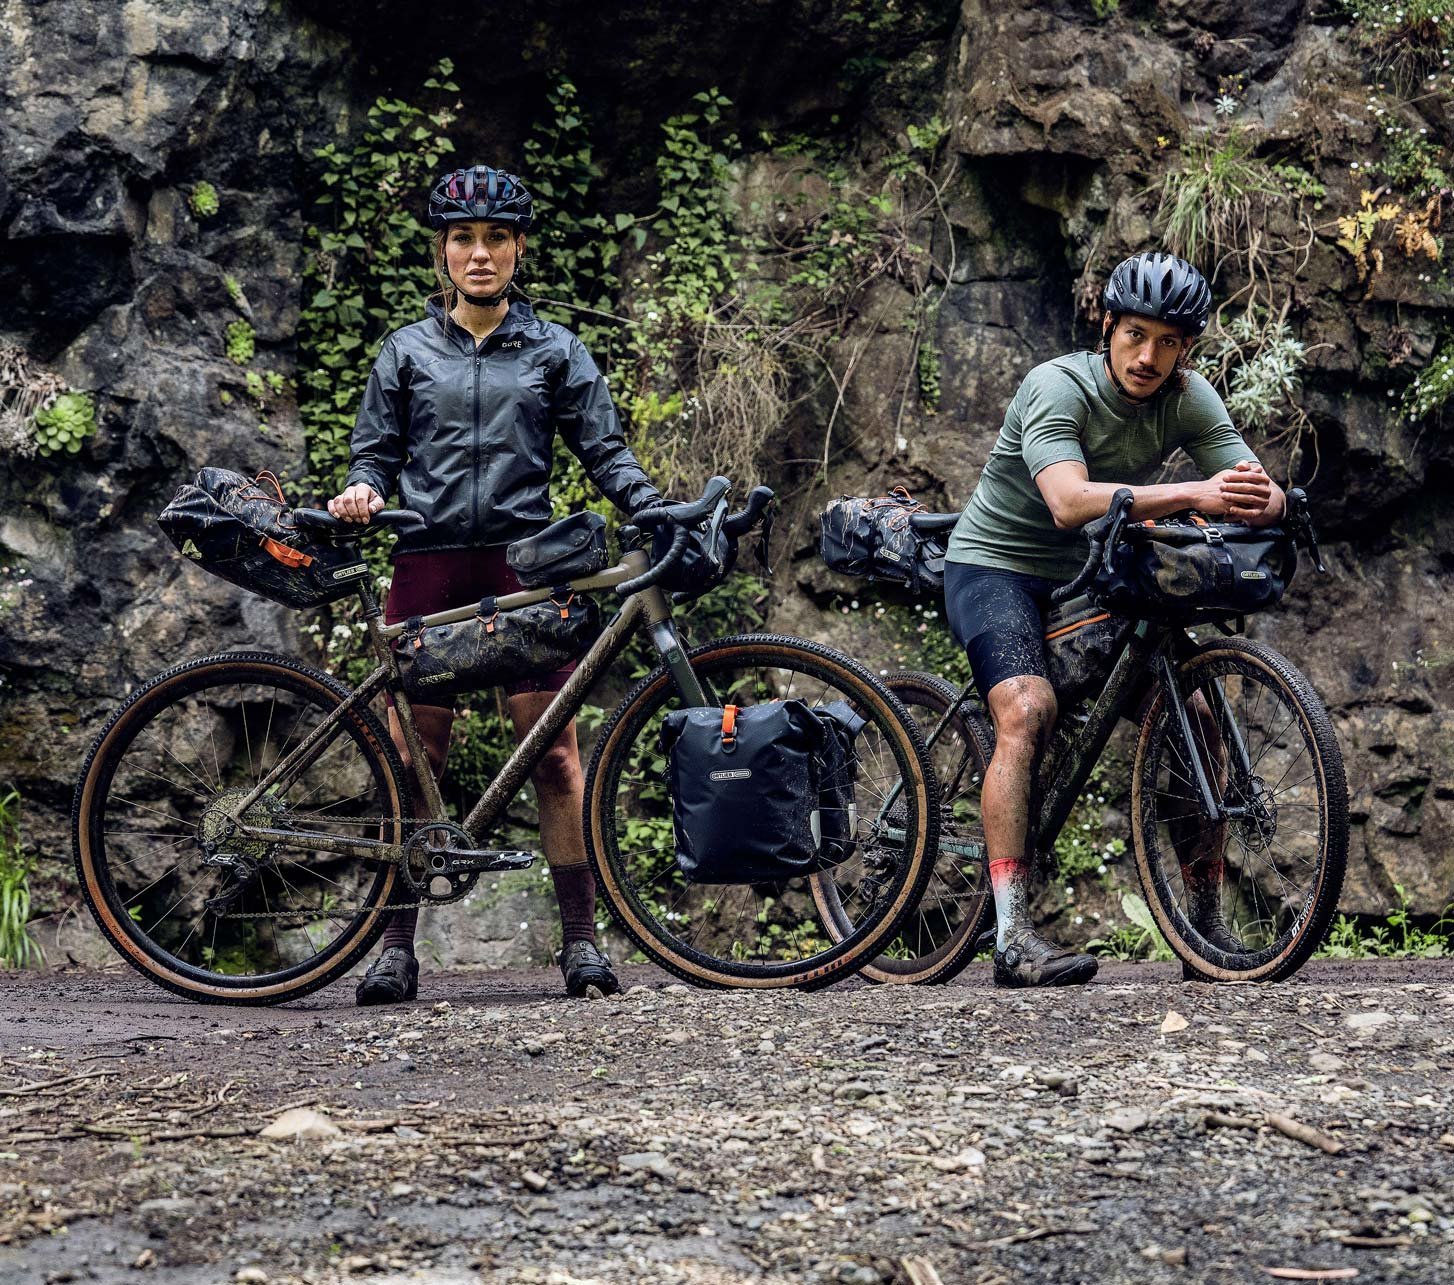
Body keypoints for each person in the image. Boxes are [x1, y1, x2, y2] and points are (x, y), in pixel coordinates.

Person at [328, 165, 663, 1004]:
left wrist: (654, 506)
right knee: (414, 757)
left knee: (555, 753)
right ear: (443, 252)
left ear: (518, 248)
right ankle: (395, 949)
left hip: (526, 565)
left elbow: (605, 451)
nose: (479, 255)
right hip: (429, 563)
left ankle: (582, 945)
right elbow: (373, 451)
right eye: (463, 240)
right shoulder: (405, 350)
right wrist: (365, 485)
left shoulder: (556, 350)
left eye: (496, 239)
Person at [944, 251, 1286, 988]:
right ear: (1107, 325)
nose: (1148, 356)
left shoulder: (1190, 399)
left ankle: (1203, 925)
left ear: (1187, 349)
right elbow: (1067, 501)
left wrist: (1272, 500)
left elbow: (1253, 485)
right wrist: (1194, 490)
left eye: (1168, 343)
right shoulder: (1056, 387)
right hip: (995, 566)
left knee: (1193, 714)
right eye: (1135, 335)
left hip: (1088, 572)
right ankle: (1008, 937)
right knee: (1026, 708)